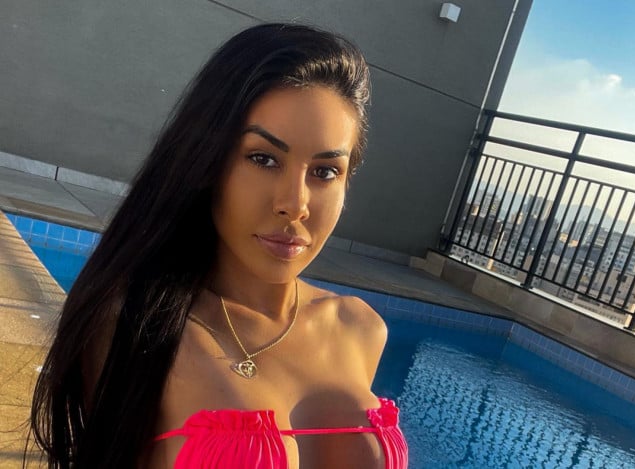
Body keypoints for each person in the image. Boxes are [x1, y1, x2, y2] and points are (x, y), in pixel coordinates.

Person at [28, 23, 408, 469]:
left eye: (325, 172)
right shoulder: (139, 327)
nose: (295, 204)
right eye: (263, 159)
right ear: (207, 162)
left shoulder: (361, 330)